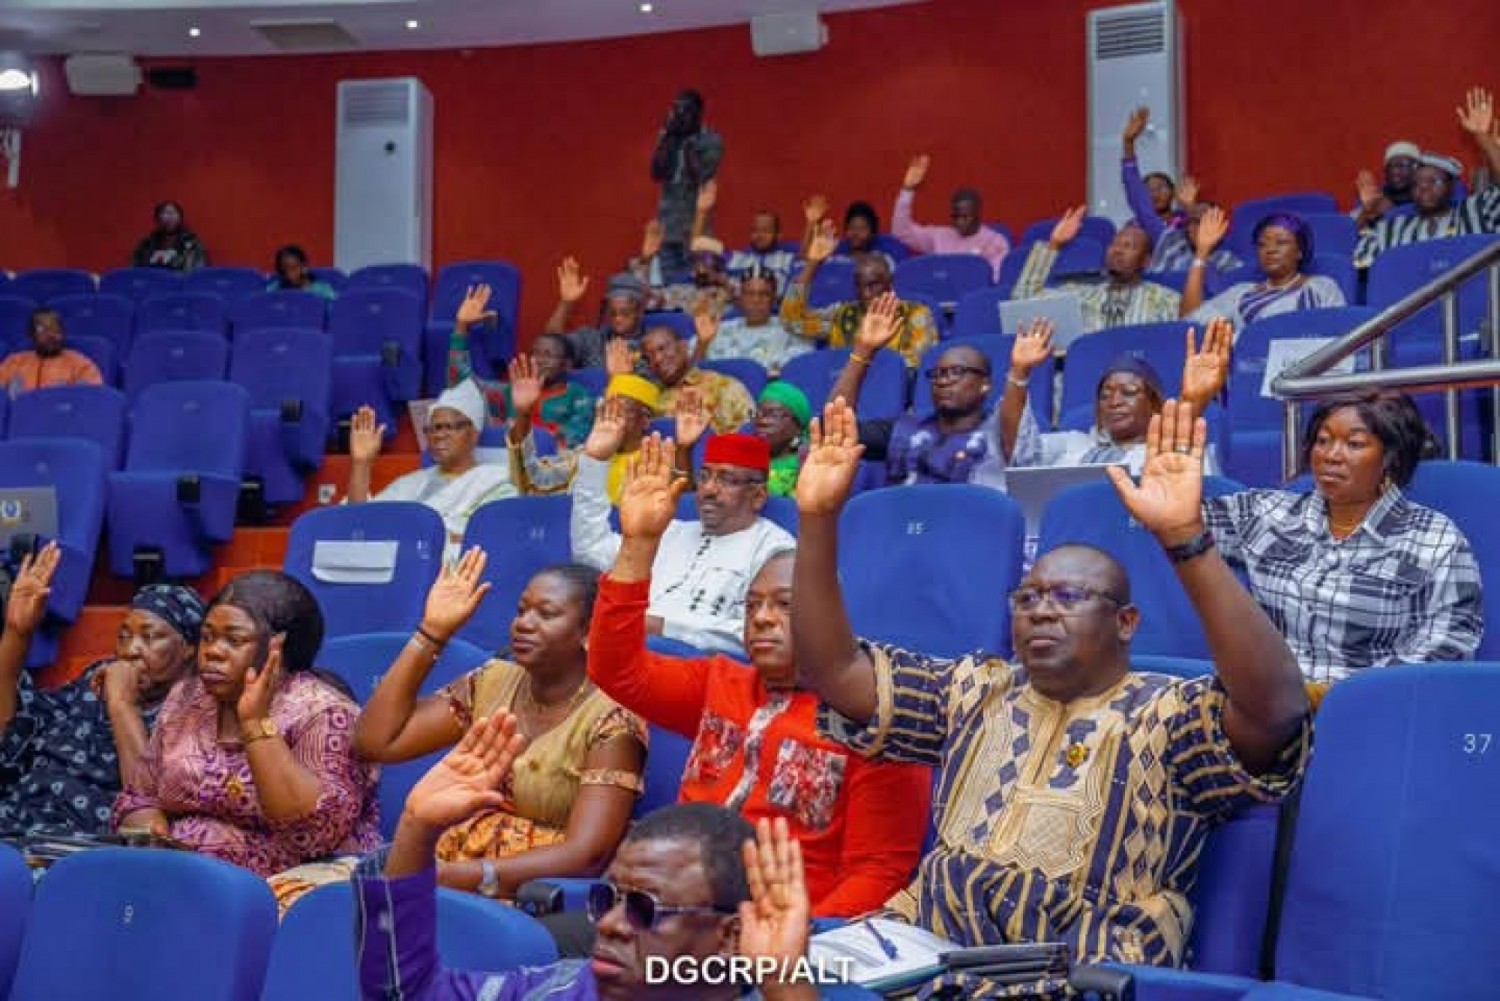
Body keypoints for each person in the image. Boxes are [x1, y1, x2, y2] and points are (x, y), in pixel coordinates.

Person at [791, 395, 1312, 993]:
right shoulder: (976, 691)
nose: (1041, 611)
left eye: (1067, 598)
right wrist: (817, 519)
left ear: (1126, 623)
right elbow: (833, 672)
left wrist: (1186, 541)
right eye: (1029, 598)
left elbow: (1277, 708)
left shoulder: (1168, 711)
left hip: (1074, 971)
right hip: (923, 946)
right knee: (772, 973)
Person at [591, 434, 930, 917]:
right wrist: (639, 544)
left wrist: (793, 948)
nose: (762, 618)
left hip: (775, 936)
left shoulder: (880, 723)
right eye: (753, 606)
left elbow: (877, 873)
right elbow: (615, 669)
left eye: (784, 606)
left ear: (829, 612)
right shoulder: (720, 681)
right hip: (659, 908)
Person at [356, 712, 822, 1001]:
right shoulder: (558, 989)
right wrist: (417, 829)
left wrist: (785, 985)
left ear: (728, 937)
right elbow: (403, 993)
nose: (610, 924)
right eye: (609, 899)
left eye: (645, 909)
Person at [353, 551, 647, 899]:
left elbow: (587, 854)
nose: (523, 623)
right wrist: (432, 633)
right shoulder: (492, 680)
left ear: (589, 631)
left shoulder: (612, 719)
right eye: (522, 611)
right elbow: (375, 742)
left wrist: (453, 877)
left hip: (526, 892)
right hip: (446, 865)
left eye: (546, 614)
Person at [112, 571, 380, 885]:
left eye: (234, 640)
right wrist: (151, 833)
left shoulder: (324, 712)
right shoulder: (186, 699)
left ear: (277, 648)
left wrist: (255, 722)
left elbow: (313, 835)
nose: (212, 651)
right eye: (208, 636)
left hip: (288, 884)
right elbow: (137, 796)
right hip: (177, 877)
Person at [1202, 391, 1482, 683]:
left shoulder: (1435, 540)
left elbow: (1447, 651)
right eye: (1323, 441)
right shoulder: (1268, 514)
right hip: (1260, 709)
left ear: (1390, 456)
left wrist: (1338, 697)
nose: (1331, 455)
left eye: (1354, 444)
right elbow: (1172, 517)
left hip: (1366, 713)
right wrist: (1191, 405)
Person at [0, 543, 204, 835]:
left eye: (150, 637)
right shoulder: (95, 679)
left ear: (188, 649)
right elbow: (13, 728)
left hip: (81, 847)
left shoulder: (196, 708)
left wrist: (122, 704)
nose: (132, 650)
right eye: (124, 636)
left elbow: (147, 804)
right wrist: (17, 634)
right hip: (14, 821)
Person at [573, 427, 794, 655]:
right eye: (704, 476)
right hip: (626, 652)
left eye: (726, 479)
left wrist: (666, 629)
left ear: (757, 496)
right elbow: (591, 553)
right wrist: (595, 463)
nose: (708, 489)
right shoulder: (669, 530)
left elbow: (767, 633)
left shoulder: (775, 552)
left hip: (699, 673)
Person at [1004, 318, 1229, 476]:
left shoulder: (1180, 450)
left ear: (1154, 406)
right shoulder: (1072, 443)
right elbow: (1021, 455)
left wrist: (1192, 401)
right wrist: (1018, 374)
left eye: (1129, 392)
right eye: (1105, 395)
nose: (1114, 401)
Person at [828, 293, 1007, 489]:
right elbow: (836, 430)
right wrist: (863, 351)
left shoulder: (1000, 432)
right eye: (937, 374)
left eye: (957, 372)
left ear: (985, 384)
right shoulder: (903, 429)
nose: (943, 380)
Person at [345, 380, 515, 558]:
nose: (439, 435)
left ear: (474, 433)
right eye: (432, 429)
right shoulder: (409, 484)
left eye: (449, 427)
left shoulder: (496, 480)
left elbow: (494, 538)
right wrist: (361, 463)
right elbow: (361, 524)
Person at [1353, 86, 1500, 268]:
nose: (1424, 187)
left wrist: (1482, 138)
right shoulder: (1390, 229)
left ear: (1451, 186)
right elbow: (1361, 263)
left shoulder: (1476, 211)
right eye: (1417, 183)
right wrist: (1366, 214)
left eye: (1434, 181)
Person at [448, 285, 595, 448]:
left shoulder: (579, 396)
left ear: (567, 364)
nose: (538, 360)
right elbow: (461, 386)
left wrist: (522, 418)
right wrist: (461, 327)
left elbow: (568, 442)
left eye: (548, 355)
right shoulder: (508, 391)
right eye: (535, 353)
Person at [781, 220, 940, 369]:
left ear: (889, 283)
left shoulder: (916, 315)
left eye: (873, 285)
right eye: (859, 286)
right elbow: (792, 319)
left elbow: (916, 368)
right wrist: (813, 263)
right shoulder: (841, 315)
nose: (866, 293)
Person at [1012, 206, 1181, 333]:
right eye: (1114, 244)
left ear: (1146, 261)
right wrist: (1054, 244)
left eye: (1129, 246)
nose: (1117, 250)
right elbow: (1023, 298)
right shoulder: (1082, 295)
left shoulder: (1165, 299)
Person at [1120, 108, 1241, 281]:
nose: (1193, 227)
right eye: (1190, 223)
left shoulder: (1226, 261)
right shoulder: (1169, 240)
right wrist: (1128, 143)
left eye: (1202, 222)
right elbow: (1138, 197)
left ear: (1220, 229)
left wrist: (1189, 208)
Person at [509, 373, 660, 508]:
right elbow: (533, 483)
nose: (610, 416)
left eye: (620, 410)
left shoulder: (657, 462)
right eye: (606, 408)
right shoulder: (585, 455)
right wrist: (524, 415)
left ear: (645, 419)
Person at [1181, 208, 1346, 329]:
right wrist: (1201, 253)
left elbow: (1340, 333)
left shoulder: (1322, 287)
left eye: (1281, 242)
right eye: (1262, 244)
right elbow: (1189, 321)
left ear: (1300, 251)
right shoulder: (1241, 293)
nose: (1270, 249)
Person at [892, 154, 1011, 276]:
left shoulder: (995, 242)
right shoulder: (939, 236)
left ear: (978, 214)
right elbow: (901, 232)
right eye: (955, 217)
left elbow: (994, 278)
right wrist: (907, 190)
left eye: (965, 217)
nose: (959, 222)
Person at [651, 89, 724, 283]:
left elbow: (700, 176)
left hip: (696, 225)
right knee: (668, 284)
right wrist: (669, 138)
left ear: (698, 113)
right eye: (677, 109)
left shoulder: (711, 140)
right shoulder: (668, 136)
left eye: (686, 110)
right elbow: (658, 172)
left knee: (698, 282)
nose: (680, 114)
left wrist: (688, 141)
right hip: (667, 224)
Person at [640, 324, 754, 436]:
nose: (657, 359)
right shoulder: (650, 399)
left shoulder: (723, 386)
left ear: (683, 347)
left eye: (663, 349)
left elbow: (750, 431)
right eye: (649, 357)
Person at [693, 270, 812, 376]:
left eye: (764, 294)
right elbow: (692, 374)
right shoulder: (716, 329)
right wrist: (702, 343)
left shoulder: (790, 330)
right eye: (749, 294)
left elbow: (798, 372)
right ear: (740, 298)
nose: (756, 300)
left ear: (773, 298)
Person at [546, 261, 650, 371]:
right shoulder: (591, 339)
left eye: (625, 313)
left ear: (639, 311)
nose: (618, 319)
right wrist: (566, 302)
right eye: (612, 313)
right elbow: (551, 342)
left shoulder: (653, 344)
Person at [0, 307, 103, 396]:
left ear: (64, 333)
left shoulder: (81, 365)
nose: (50, 336)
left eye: (56, 330)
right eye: (42, 330)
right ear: (31, 335)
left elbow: (90, 402)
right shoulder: (13, 363)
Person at [633, 228, 735, 315]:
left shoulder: (732, 286)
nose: (700, 265)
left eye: (705, 258)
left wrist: (721, 281)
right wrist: (646, 262)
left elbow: (741, 297)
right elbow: (646, 300)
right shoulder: (679, 290)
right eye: (694, 259)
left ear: (718, 261)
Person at [1120, 108, 1182, 230]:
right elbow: (1131, 181)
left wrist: (1189, 206)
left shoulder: (1185, 222)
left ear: (1173, 192)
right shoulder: (1133, 227)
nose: (1155, 194)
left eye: (1160, 187)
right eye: (1148, 189)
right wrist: (1128, 142)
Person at [755, 382, 812, 498]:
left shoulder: (809, 463)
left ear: (798, 426)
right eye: (759, 413)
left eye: (774, 414)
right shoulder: (745, 461)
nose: (762, 421)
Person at [1352, 141, 1422, 229]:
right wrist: (1367, 211)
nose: (1395, 172)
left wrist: (1393, 211)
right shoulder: (1376, 197)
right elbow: (1347, 235)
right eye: (1391, 166)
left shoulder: (1427, 199)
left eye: (1403, 166)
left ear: (1417, 168)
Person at [131, 200, 207, 271]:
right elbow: (136, 269)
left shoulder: (192, 242)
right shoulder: (147, 243)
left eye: (172, 213)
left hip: (180, 283)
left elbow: (195, 271)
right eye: (163, 213)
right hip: (152, 282)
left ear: (180, 217)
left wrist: (173, 262)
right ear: (157, 219)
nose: (168, 217)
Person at [266, 244, 338, 300]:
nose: (289, 274)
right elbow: (263, 302)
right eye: (284, 270)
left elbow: (335, 307)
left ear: (304, 267)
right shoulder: (276, 289)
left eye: (293, 268)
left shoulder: (322, 290)